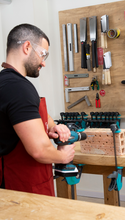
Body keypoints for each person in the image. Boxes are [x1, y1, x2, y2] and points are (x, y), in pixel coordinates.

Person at [0, 23, 75, 196]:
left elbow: (25, 114)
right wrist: (64, 156)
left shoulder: (6, 82)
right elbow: (39, 150)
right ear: (27, 47)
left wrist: (51, 126)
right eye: (43, 54)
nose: (43, 63)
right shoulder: (18, 88)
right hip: (21, 187)